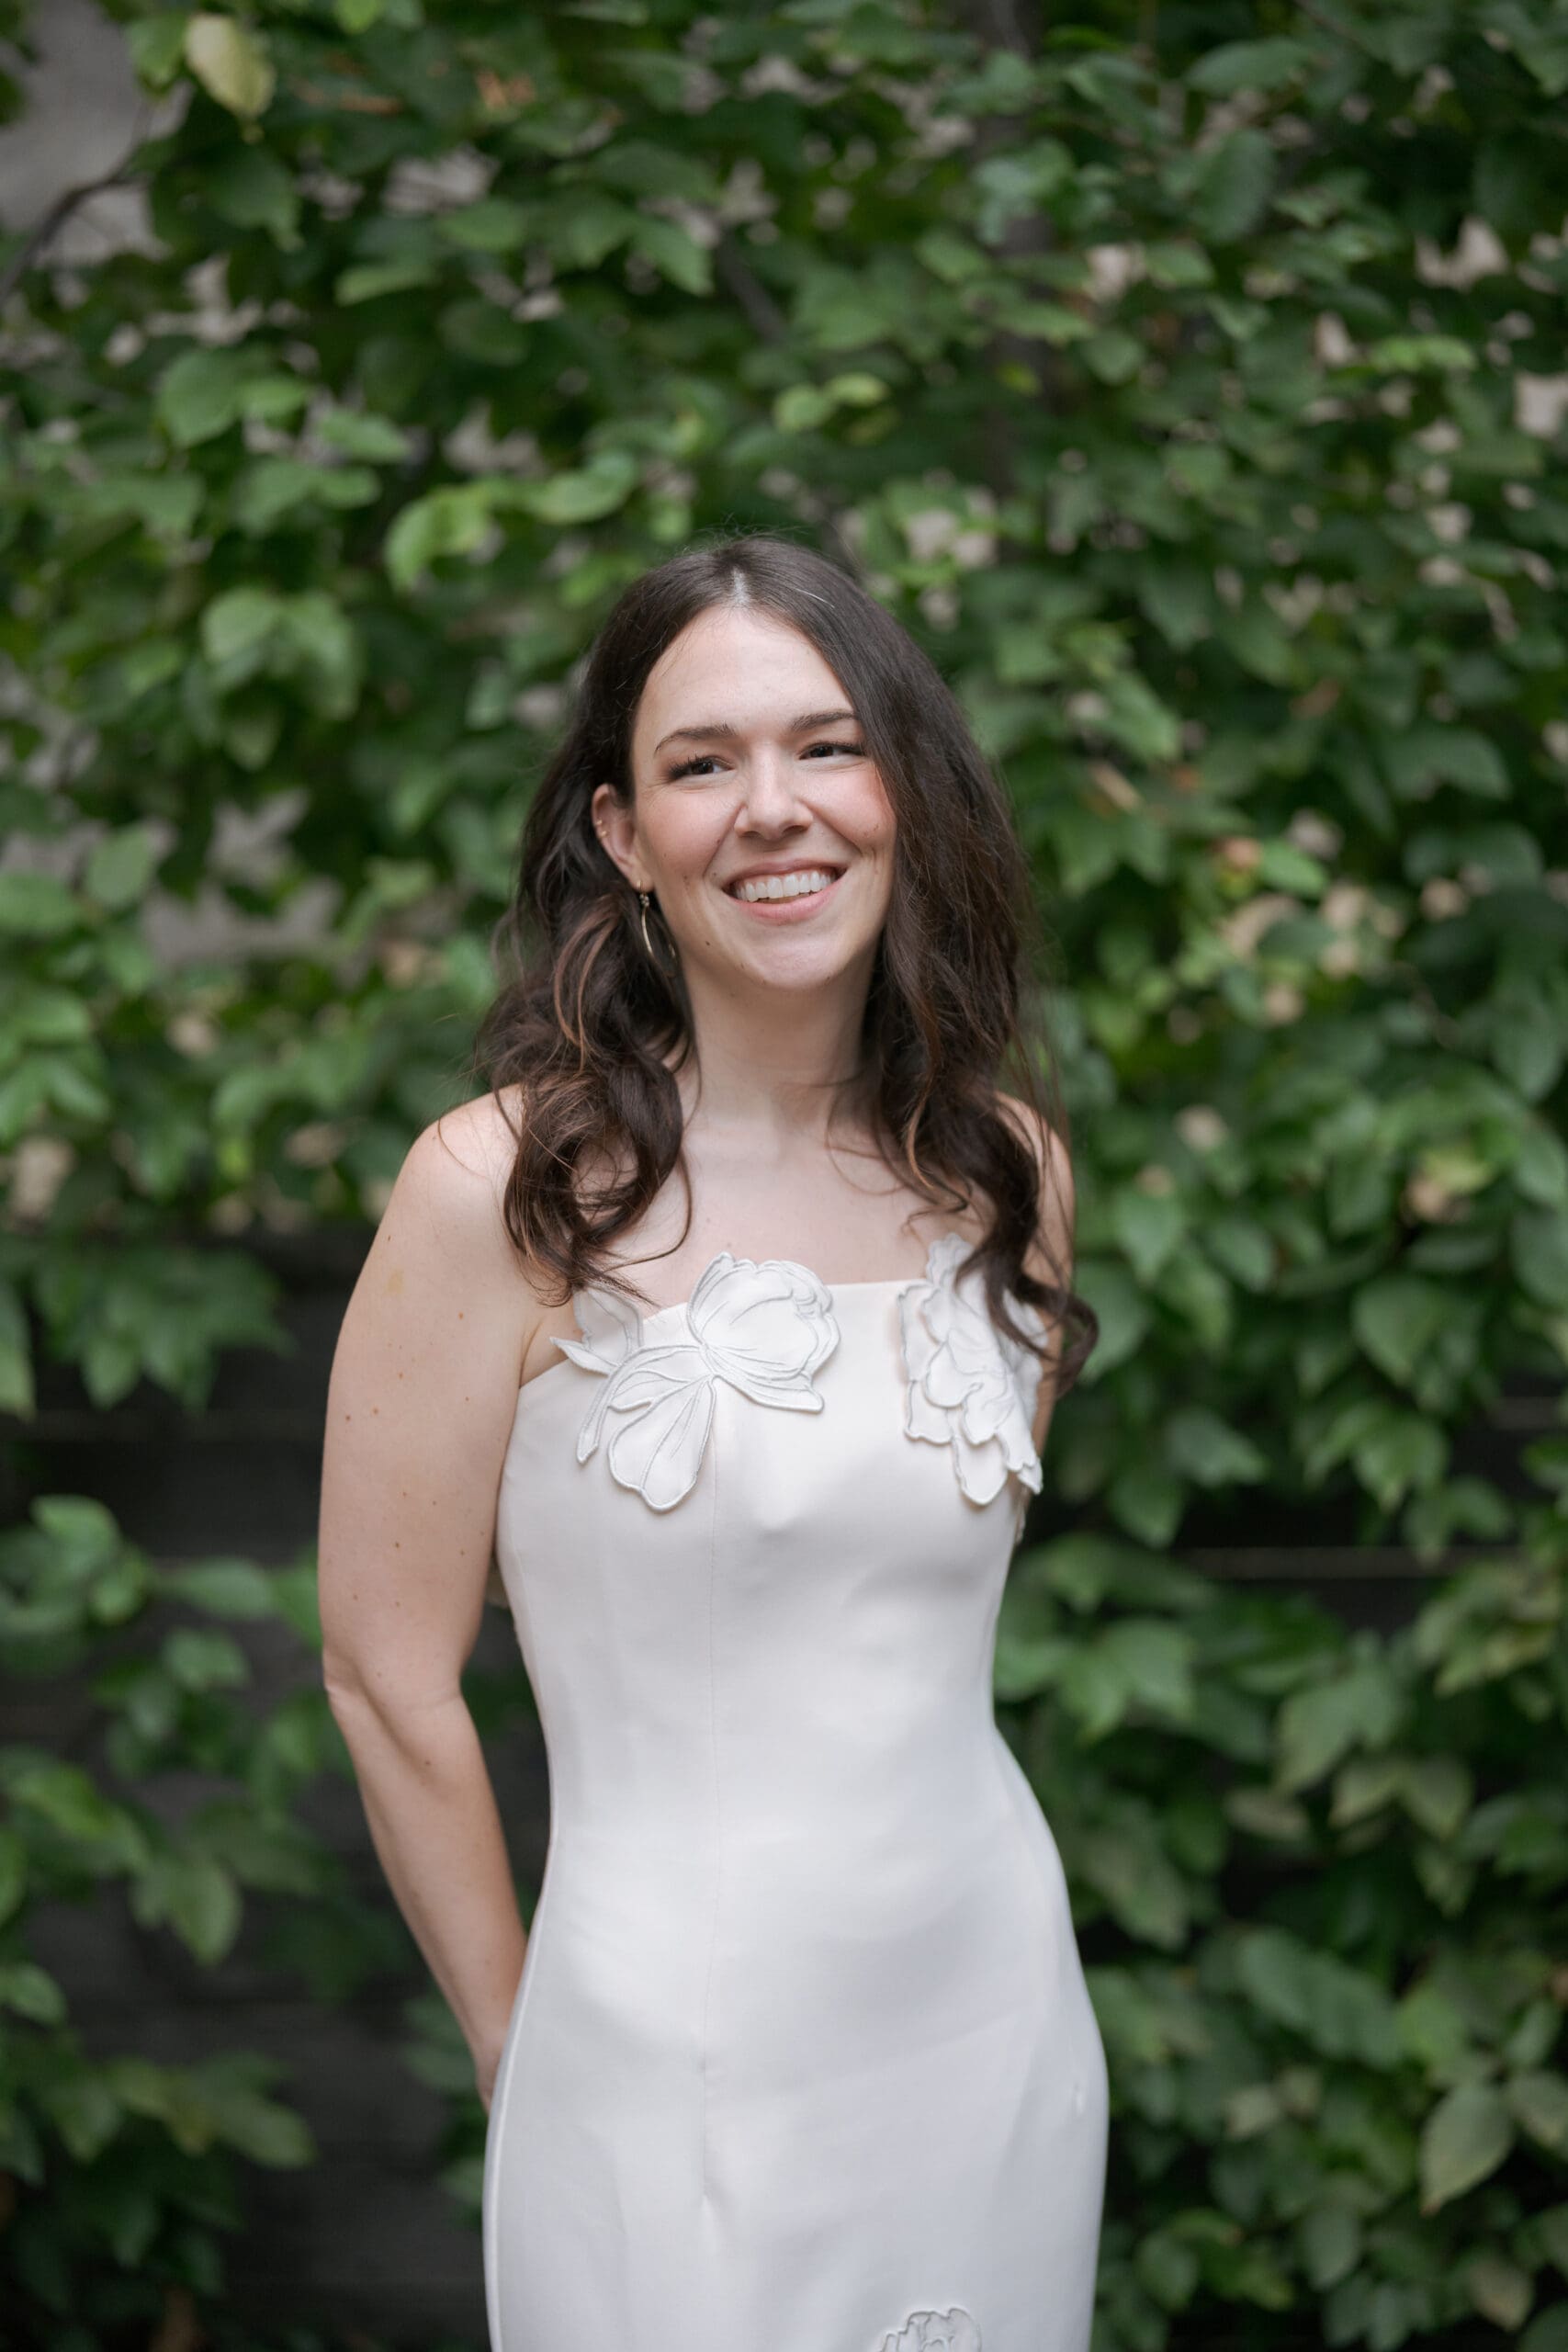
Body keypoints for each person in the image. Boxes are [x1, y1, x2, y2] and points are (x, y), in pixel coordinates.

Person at [318, 532, 1107, 2351]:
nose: (775, 808)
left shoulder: (1007, 1175)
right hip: (654, 2064)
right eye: (699, 762)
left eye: (825, 744)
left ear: (898, 786)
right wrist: (531, 2050)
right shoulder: (499, 1190)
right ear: (620, 830)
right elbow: (383, 1674)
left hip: (989, 2037)